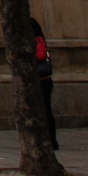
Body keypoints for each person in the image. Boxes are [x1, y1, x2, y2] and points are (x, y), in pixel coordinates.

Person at [31, 17, 58, 151]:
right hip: (46, 80)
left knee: (42, 110)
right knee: (46, 109)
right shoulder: (40, 39)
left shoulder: (35, 41)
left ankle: (47, 140)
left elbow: (40, 56)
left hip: (40, 81)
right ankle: (51, 140)